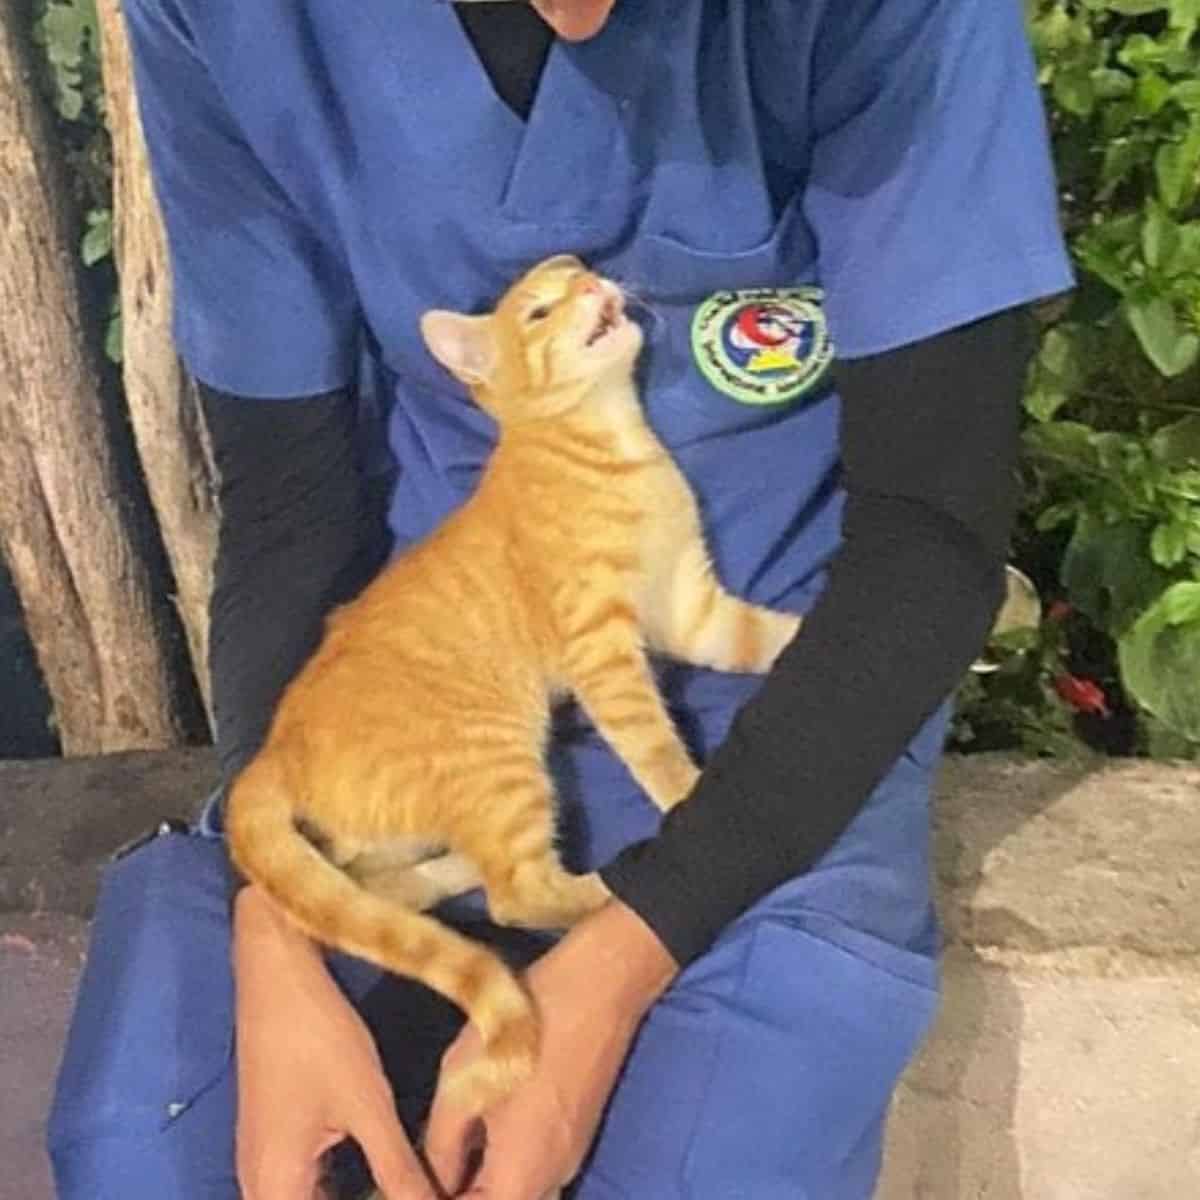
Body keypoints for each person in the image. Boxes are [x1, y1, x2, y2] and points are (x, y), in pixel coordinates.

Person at [47, 1, 1073, 1197]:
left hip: (780, 753)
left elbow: (929, 542)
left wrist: (609, 982)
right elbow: (293, 508)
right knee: (149, 1146)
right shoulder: (234, 22)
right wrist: (280, 917)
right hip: (395, 728)